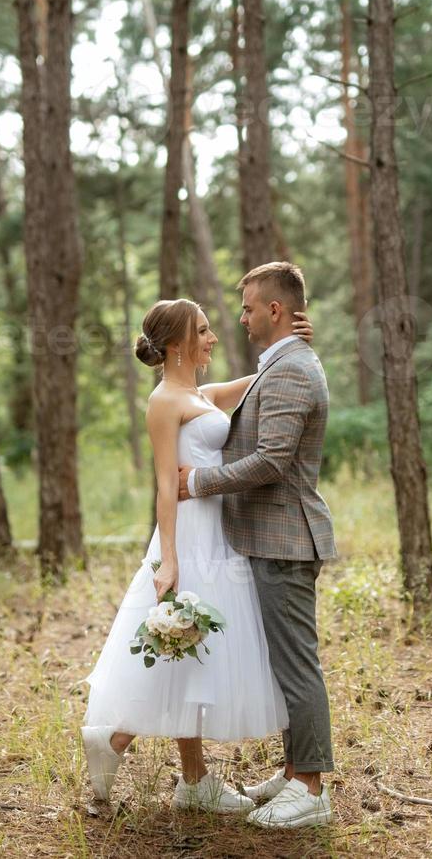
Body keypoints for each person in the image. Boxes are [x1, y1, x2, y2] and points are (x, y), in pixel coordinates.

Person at [80, 294, 313, 815]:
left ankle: (193, 779)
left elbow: (260, 380)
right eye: (203, 331)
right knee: (180, 647)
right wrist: (170, 557)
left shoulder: (201, 393)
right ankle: (115, 739)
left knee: (194, 651)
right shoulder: (165, 400)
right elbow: (165, 485)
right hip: (189, 536)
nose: (212, 338)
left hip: (219, 531)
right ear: (179, 342)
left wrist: (293, 344)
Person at [178, 262, 336, 829]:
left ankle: (311, 787)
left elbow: (273, 460)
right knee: (285, 661)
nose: (240, 318)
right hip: (272, 537)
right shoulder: (283, 363)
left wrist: (197, 481)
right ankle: (296, 768)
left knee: (296, 665)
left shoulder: (291, 368)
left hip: (286, 538)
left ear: (274, 310)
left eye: (247, 308)